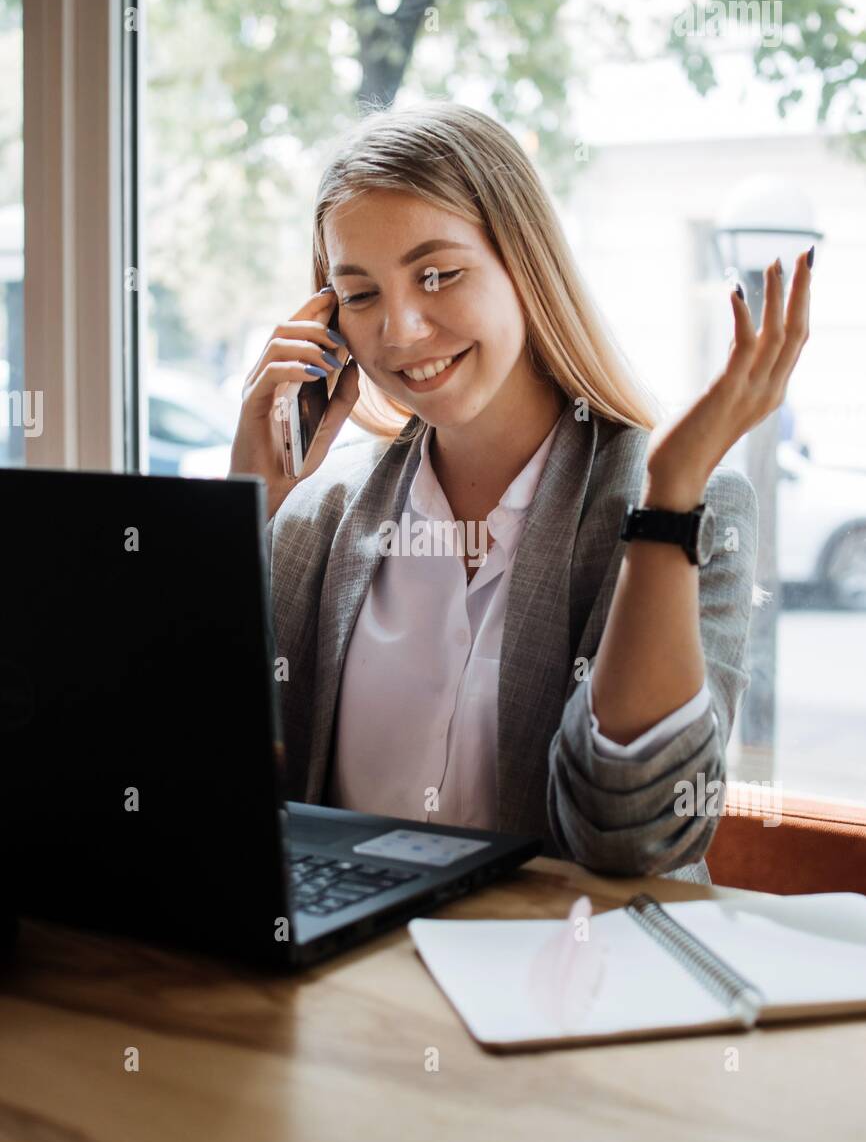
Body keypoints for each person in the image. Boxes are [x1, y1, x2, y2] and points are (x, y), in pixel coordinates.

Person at [230, 102, 812, 883]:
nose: (399, 331)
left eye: (437, 273)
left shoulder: (683, 504)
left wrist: (669, 500)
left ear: (524, 266)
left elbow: (634, 835)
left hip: (568, 990)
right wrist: (244, 510)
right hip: (355, 988)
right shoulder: (317, 518)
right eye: (361, 294)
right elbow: (204, 780)